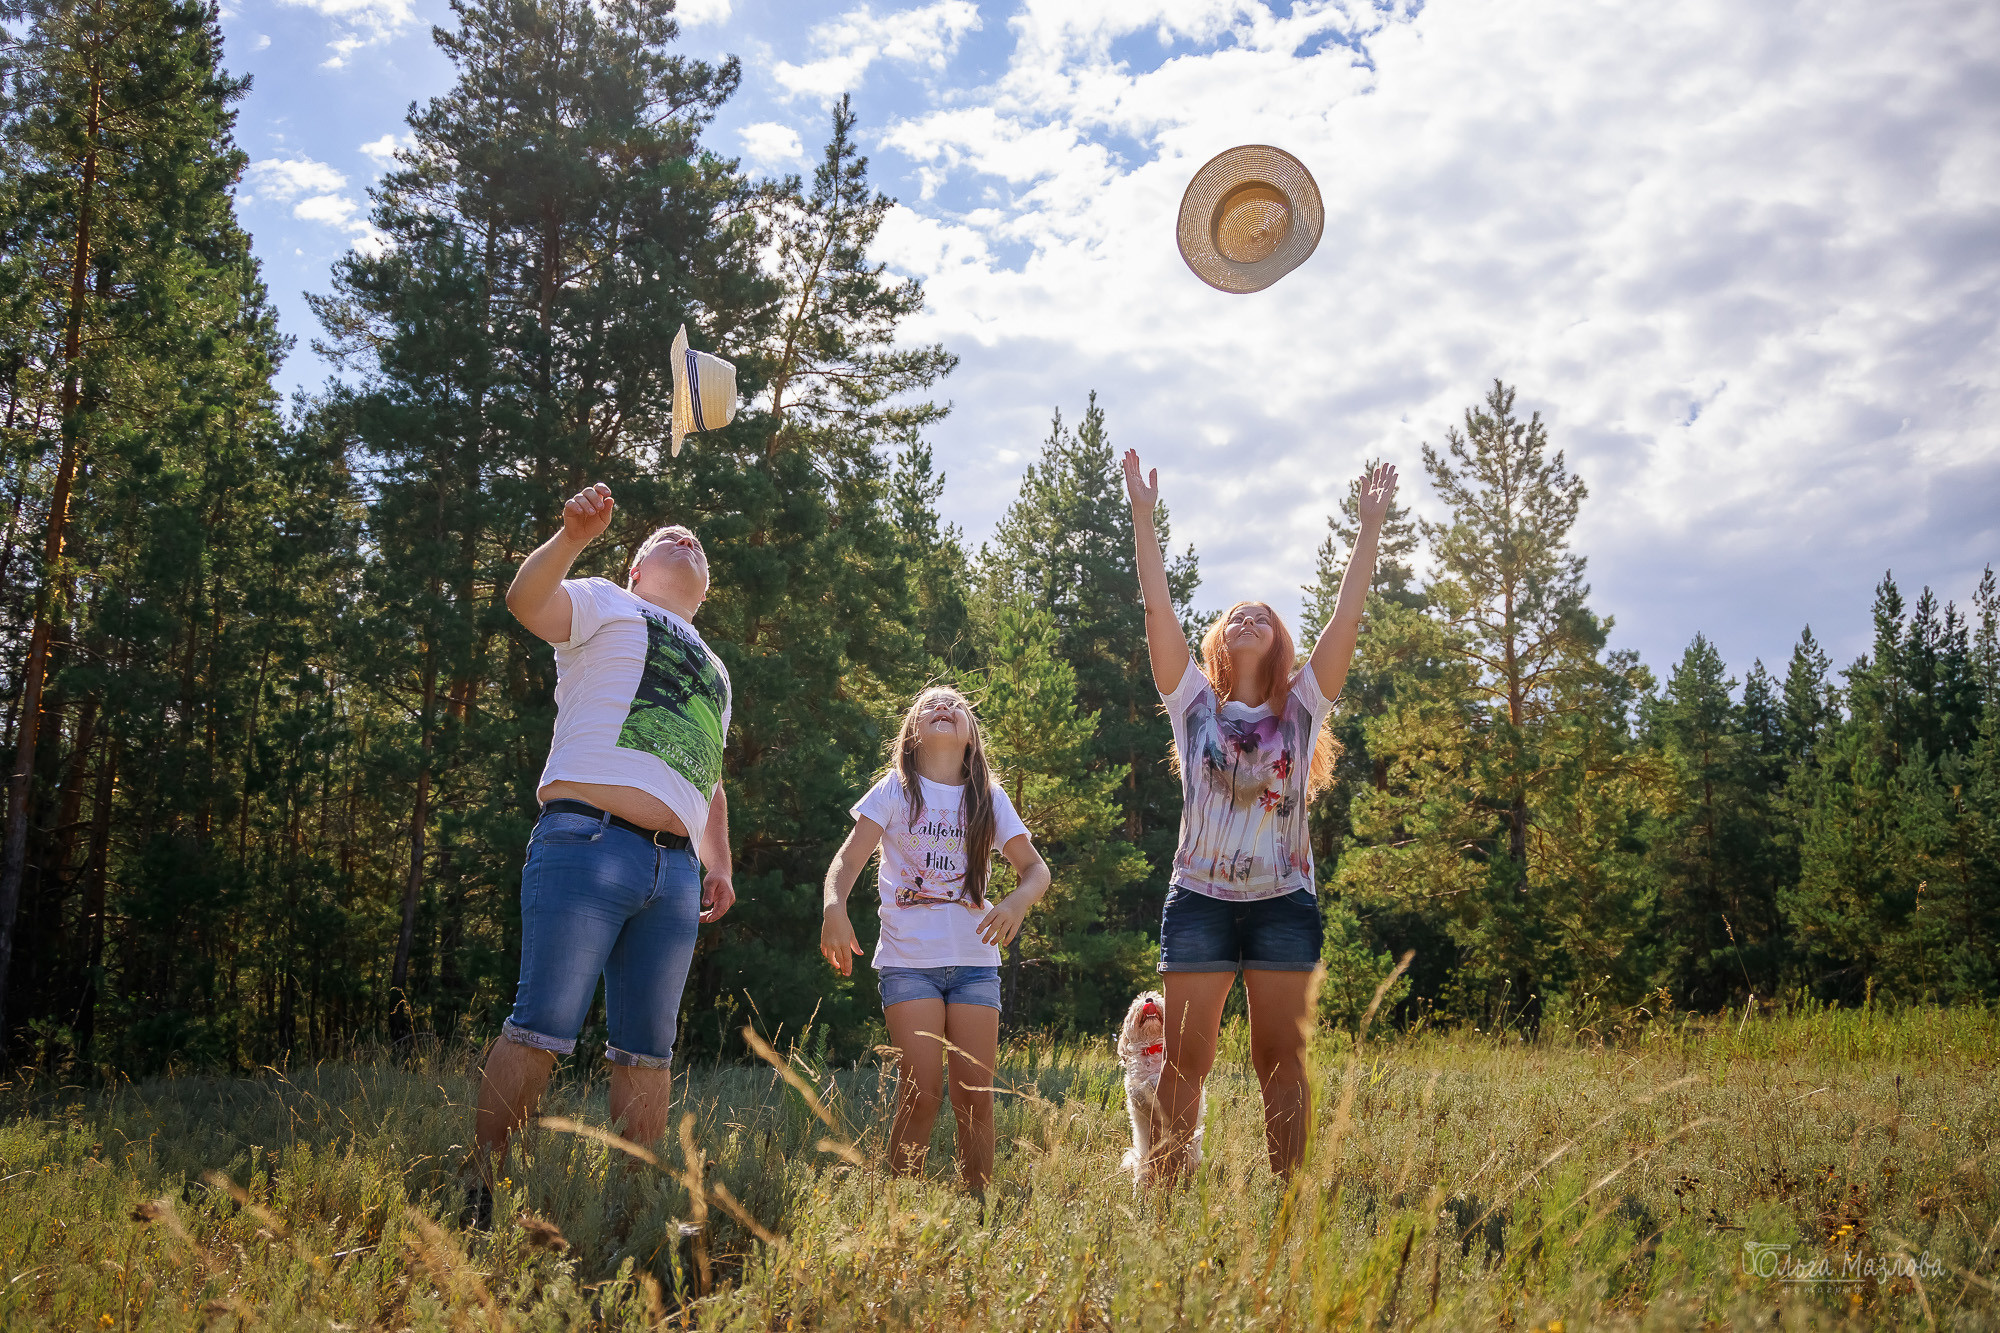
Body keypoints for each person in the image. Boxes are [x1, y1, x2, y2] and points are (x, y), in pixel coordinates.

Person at [1121, 450, 1397, 1182]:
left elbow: (1347, 616)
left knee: (1281, 1056)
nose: (1245, 615)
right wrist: (1144, 519)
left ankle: (1290, 1202)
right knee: (1187, 1059)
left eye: (1261, 615)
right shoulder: (1194, 705)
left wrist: (1368, 529)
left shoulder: (1301, 708)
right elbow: (1157, 611)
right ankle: (1169, 1196)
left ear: (1278, 642)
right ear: (1219, 641)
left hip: (1283, 903)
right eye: (1234, 614)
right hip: (1200, 902)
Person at [465, 482, 735, 1224]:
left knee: (647, 1051)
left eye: (695, 541)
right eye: (665, 537)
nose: (684, 535)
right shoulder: (604, 602)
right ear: (636, 572)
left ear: (702, 592)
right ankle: (481, 1192)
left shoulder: (716, 668)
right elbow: (526, 602)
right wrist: (572, 535)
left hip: (674, 873)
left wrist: (721, 863)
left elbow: (707, 775)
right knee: (541, 1024)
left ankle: (630, 1208)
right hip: (587, 841)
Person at [818, 686, 1051, 1190]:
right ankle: (899, 1211)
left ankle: (978, 1208)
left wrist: (1014, 902)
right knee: (920, 1092)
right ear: (912, 734)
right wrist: (833, 907)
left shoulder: (987, 797)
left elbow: (1036, 870)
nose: (944, 707)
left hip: (975, 965)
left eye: (958, 707)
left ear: (970, 740)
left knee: (975, 1096)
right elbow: (847, 860)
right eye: (930, 704)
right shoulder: (893, 791)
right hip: (910, 964)